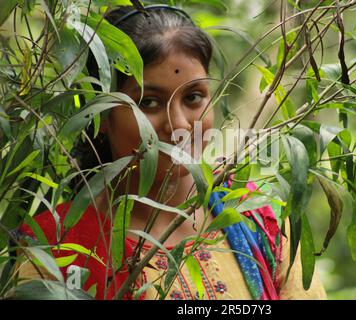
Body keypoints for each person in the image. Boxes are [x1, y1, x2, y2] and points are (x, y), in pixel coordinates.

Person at [14, 5, 326, 300]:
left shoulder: (262, 220)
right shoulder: (53, 250)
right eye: (148, 102)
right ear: (99, 114)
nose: (178, 125)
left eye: (193, 97)